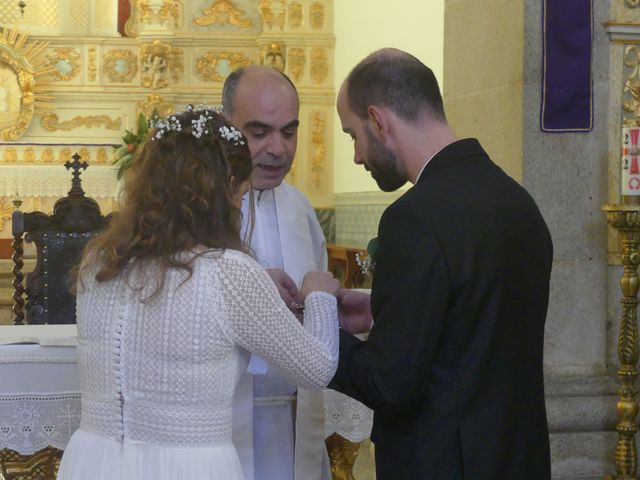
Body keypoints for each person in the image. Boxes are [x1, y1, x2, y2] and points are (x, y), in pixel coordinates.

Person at [56, 106, 340, 480]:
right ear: (220, 193)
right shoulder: (229, 274)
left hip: (94, 461)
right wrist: (319, 293)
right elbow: (317, 368)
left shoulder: (98, 263)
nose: (240, 210)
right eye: (240, 197)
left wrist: (256, 291)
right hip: (187, 466)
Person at [331, 48, 553, 479]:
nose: (358, 155)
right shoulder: (517, 201)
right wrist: (381, 311)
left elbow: (390, 385)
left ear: (378, 121)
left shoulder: (412, 217)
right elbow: (474, 327)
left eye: (352, 134)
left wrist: (323, 328)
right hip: (517, 460)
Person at [222, 66, 331, 480]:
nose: (278, 148)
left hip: (293, 422)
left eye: (288, 132)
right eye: (259, 131)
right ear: (227, 125)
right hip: (220, 425)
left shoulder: (300, 209)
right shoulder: (198, 215)